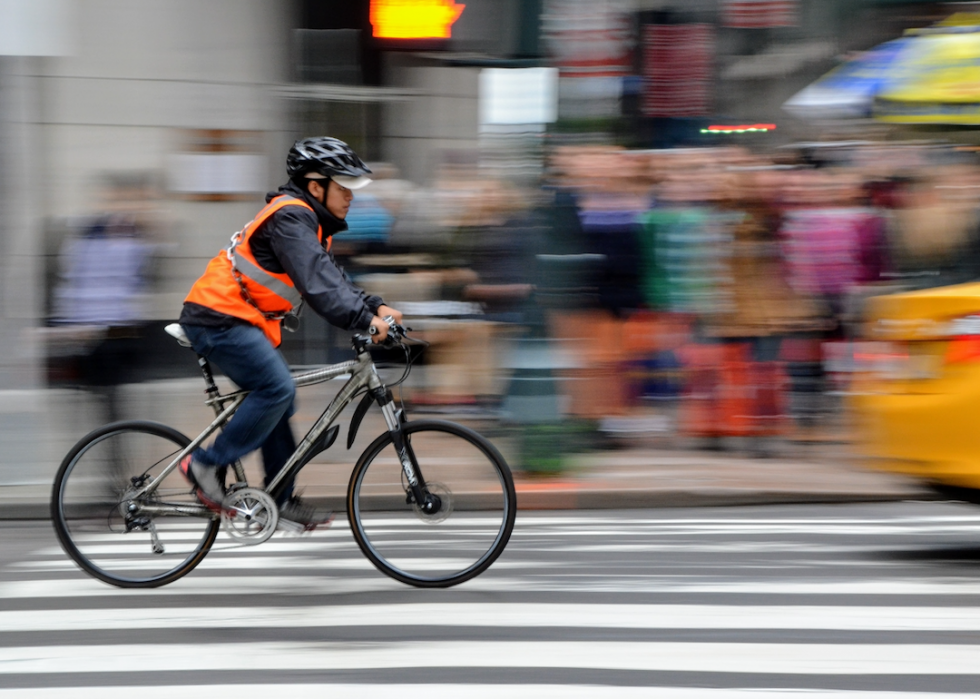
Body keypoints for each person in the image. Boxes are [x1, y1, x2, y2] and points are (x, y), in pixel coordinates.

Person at [177, 137, 402, 526]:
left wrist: (374, 306)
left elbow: (334, 280)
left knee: (281, 399)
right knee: (277, 388)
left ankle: (278, 499)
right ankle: (204, 465)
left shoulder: (309, 224)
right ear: (316, 186)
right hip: (217, 320)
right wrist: (364, 321)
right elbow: (318, 286)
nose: (352, 196)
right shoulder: (290, 217)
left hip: (236, 321)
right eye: (344, 187)